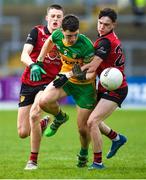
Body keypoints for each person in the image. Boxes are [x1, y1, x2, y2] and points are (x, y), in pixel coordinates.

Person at [37, 14, 127, 169]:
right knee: (44, 101)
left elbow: (92, 72)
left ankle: (84, 153)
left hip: (85, 87)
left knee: (84, 128)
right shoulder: (57, 34)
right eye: (68, 36)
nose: (72, 39)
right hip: (67, 79)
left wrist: (68, 75)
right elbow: (49, 41)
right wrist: (39, 60)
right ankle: (59, 118)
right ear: (62, 31)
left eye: (75, 35)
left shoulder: (87, 45)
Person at [17, 4, 64, 170]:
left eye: (59, 16)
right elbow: (24, 55)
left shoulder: (67, 38)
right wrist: (33, 65)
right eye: (53, 16)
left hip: (48, 84)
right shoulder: (37, 32)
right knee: (23, 132)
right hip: (29, 81)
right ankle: (42, 125)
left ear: (62, 19)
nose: (56, 19)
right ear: (47, 18)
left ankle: (32, 161)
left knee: (34, 114)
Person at [80, 8, 128, 170]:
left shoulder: (106, 41)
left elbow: (93, 67)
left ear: (114, 25)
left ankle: (98, 163)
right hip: (106, 85)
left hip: (116, 89)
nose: (101, 27)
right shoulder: (106, 38)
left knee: (92, 121)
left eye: (106, 25)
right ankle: (116, 138)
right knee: (91, 119)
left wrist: (72, 72)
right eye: (100, 23)